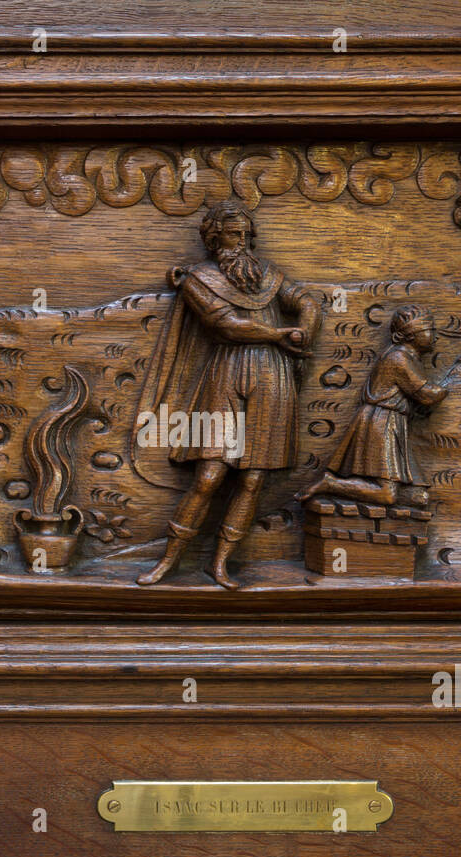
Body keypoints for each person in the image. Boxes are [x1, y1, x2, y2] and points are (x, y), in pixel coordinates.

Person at [133, 200, 320, 589]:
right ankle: (167, 562)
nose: (244, 243)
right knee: (209, 475)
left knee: (252, 480)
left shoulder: (266, 275)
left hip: (273, 377)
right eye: (236, 235)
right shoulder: (198, 280)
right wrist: (279, 335)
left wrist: (305, 325)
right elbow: (228, 325)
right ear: (216, 239)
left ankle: (219, 565)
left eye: (248, 235)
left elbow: (305, 300)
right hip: (228, 373)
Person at [298, 304, 447, 508]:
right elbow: (426, 394)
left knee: (419, 496)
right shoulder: (398, 358)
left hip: (392, 423)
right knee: (387, 496)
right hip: (381, 424)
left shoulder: (408, 357)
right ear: (411, 335)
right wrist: (455, 383)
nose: (436, 337)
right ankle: (331, 484)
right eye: (430, 330)